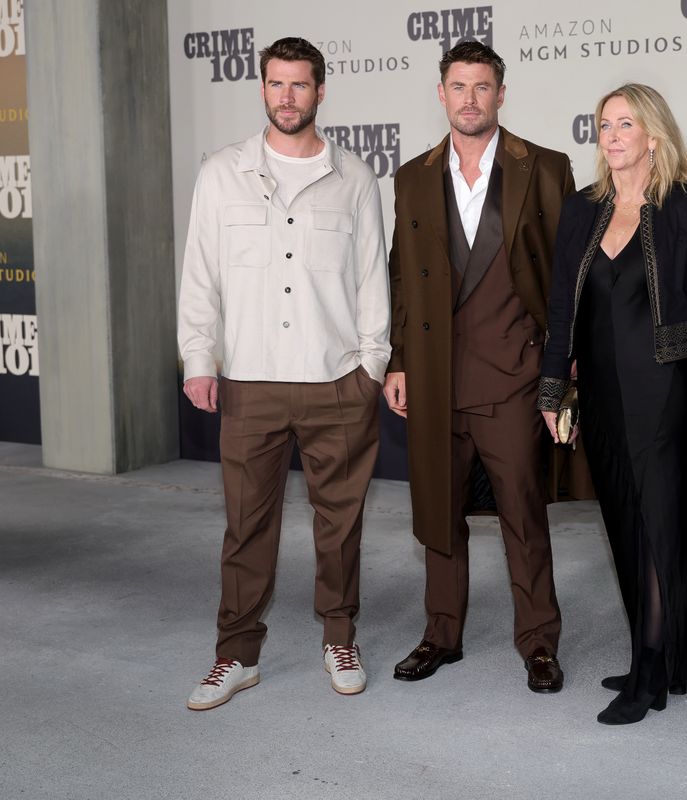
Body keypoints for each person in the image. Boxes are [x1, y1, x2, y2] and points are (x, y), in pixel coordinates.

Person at [178, 37, 390, 709]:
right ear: (263, 88)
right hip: (250, 382)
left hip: (337, 382)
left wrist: (371, 366)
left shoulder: (355, 178)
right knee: (246, 526)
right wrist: (198, 358)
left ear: (320, 91)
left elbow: (372, 281)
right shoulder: (221, 173)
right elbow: (200, 275)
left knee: (340, 524)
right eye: (276, 83)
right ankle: (237, 654)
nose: (287, 97)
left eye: (299, 84)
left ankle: (340, 637)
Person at [384, 41, 574, 693]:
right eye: (459, 87)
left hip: (514, 377)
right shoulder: (412, 178)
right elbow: (402, 277)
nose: (470, 99)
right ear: (441, 94)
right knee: (439, 513)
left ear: (501, 94)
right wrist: (399, 360)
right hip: (435, 377)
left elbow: (567, 280)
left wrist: (562, 370)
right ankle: (441, 634)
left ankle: (539, 642)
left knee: (524, 514)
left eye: (482, 86)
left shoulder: (545, 168)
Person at [539, 84, 687, 725]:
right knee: (622, 520)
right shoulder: (582, 209)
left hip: (663, 390)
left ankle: (651, 670)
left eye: (625, 124)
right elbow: (561, 306)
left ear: (654, 135)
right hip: (603, 395)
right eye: (604, 125)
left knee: (659, 523)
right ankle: (658, 650)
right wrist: (553, 387)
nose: (612, 137)